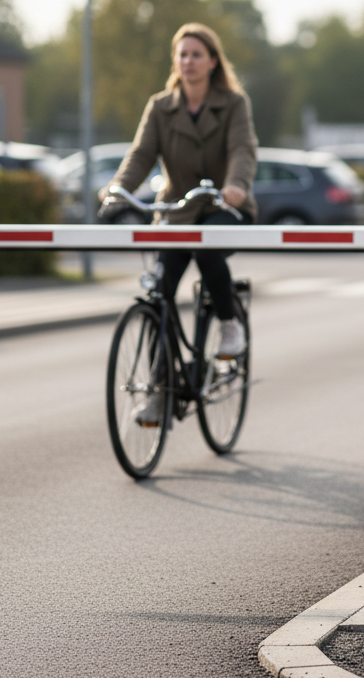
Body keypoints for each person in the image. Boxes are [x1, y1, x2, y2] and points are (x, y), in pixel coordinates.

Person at [105, 23, 258, 422]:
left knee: (207, 249)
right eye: (181, 54)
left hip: (223, 207)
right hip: (176, 209)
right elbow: (141, 154)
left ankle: (228, 324)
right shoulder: (161, 106)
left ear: (211, 62)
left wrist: (236, 186)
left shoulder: (233, 104)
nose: (187, 61)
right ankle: (159, 389)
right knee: (161, 295)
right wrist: (118, 188)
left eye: (196, 54)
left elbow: (243, 149)